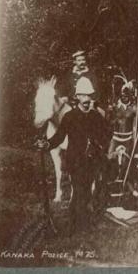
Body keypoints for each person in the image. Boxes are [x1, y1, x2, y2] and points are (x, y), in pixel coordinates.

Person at [37, 77, 111, 235]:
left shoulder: (95, 116)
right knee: (78, 191)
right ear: (77, 97)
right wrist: (47, 144)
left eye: (89, 95)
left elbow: (107, 133)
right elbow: (59, 136)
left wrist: (99, 144)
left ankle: (75, 223)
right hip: (75, 162)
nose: (87, 99)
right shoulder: (70, 117)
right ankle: (80, 226)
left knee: (85, 192)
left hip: (91, 161)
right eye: (83, 96)